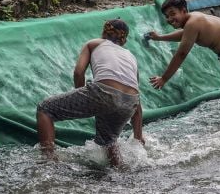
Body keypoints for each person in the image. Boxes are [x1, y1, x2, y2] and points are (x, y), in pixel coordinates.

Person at [36, 19, 143, 167]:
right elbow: (136, 94)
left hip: (104, 93)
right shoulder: (131, 56)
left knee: (45, 109)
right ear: (124, 39)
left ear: (104, 33)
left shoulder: (94, 43)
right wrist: (138, 134)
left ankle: (49, 159)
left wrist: (80, 95)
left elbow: (79, 73)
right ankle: (120, 171)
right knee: (108, 140)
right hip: (130, 102)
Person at [147, 0, 220, 104]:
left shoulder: (192, 23)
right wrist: (159, 38)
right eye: (167, 16)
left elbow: (181, 54)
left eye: (172, 14)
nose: (170, 19)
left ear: (183, 11)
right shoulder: (195, 18)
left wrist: (164, 79)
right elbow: (184, 34)